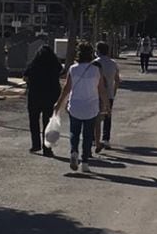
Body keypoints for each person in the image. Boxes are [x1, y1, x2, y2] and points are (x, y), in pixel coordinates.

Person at [54, 42, 108, 173]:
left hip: (75, 106)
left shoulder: (73, 69)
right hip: (91, 107)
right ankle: (85, 162)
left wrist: (59, 103)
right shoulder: (96, 70)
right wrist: (106, 105)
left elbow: (67, 88)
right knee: (88, 135)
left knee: (74, 132)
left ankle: (74, 152)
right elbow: (101, 90)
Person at [23, 44, 62, 156]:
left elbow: (25, 77)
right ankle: (47, 148)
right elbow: (61, 72)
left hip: (35, 96)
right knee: (48, 123)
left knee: (34, 121)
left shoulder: (33, 65)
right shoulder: (55, 65)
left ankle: (36, 144)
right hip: (50, 96)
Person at [93, 41, 121, 151]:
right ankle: (106, 139)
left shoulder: (94, 63)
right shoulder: (113, 63)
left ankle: (94, 139)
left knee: (94, 116)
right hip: (109, 94)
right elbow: (117, 80)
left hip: (95, 94)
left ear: (98, 50)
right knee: (107, 116)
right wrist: (114, 91)